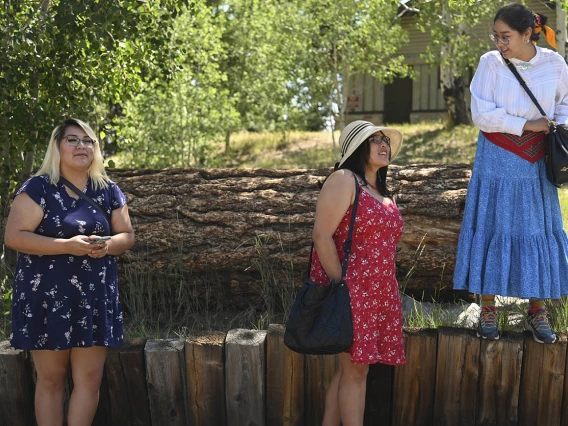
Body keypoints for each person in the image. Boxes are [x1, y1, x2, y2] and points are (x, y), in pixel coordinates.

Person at [4, 118, 135, 426]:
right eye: (73, 140)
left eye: (88, 141)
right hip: (48, 297)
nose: (81, 146)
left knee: (90, 379)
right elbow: (14, 237)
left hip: (94, 297)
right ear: (57, 147)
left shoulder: (108, 190)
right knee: (51, 379)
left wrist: (108, 245)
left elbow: (127, 236)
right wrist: (66, 245)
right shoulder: (39, 188)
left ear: (96, 149)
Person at [453, 3, 568, 344]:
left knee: (535, 228)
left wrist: (557, 125)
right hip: (497, 156)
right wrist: (525, 124)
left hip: (537, 158)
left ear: (528, 33)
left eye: (506, 36)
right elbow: (481, 113)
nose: (499, 42)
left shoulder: (554, 63)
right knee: (493, 223)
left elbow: (564, 103)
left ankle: (537, 308)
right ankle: (487, 306)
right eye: (496, 36)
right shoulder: (490, 63)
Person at [309, 120, 405, 426]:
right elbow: (321, 236)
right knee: (356, 371)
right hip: (353, 291)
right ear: (358, 148)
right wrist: (340, 285)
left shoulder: (381, 191)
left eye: (385, 140)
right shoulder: (343, 180)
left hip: (380, 292)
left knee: (350, 370)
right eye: (374, 139)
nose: (383, 144)